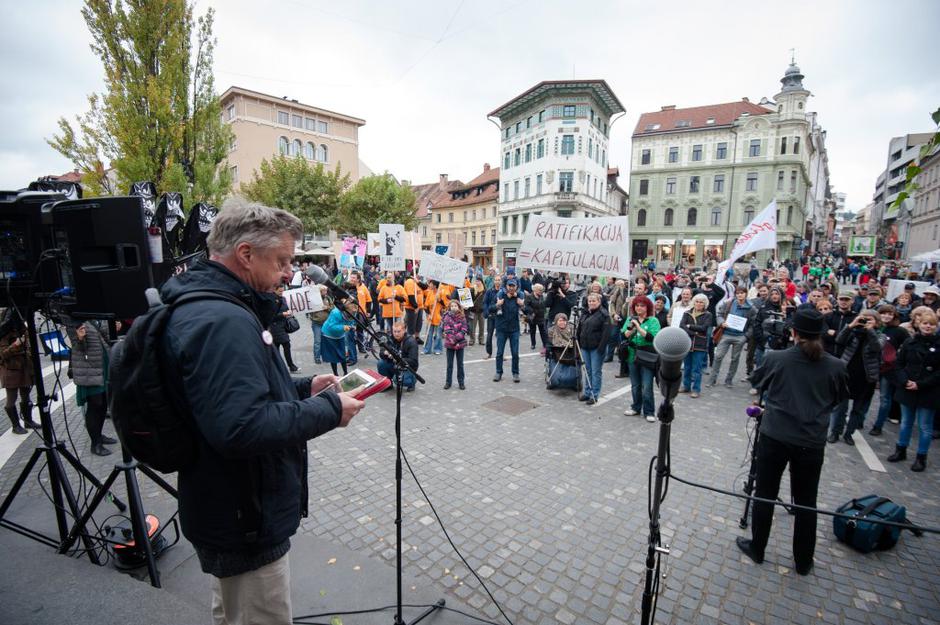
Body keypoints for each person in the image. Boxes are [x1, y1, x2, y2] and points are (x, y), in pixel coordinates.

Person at [157, 198, 364, 624]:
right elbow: (241, 427)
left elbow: (232, 395)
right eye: (282, 261)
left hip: (230, 507)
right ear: (246, 254)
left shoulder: (218, 306)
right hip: (243, 517)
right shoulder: (224, 320)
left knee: (233, 612)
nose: (289, 272)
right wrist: (328, 409)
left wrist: (304, 387)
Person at [738, 308, 849, 576]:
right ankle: (803, 560)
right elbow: (839, 399)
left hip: (775, 436)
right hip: (811, 440)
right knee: (806, 501)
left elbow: (757, 381)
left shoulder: (776, 358)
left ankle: (758, 547)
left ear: (794, 332)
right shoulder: (836, 365)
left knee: (765, 493)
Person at [887, 309, 939, 472]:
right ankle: (900, 450)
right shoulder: (910, 342)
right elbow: (899, 363)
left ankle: (921, 457)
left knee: (925, 426)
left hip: (928, 390)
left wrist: (920, 384)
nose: (928, 326)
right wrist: (904, 380)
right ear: (918, 324)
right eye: (925, 323)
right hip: (907, 387)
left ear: (936, 326)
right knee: (906, 422)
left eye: (931, 324)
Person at [827, 310, 881, 445]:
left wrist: (870, 331)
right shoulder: (854, 332)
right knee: (840, 407)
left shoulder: (880, 335)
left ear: (877, 323)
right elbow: (839, 340)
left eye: (870, 320)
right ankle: (835, 431)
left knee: (858, 409)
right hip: (847, 373)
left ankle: (849, 434)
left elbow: (877, 347)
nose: (866, 322)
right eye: (864, 319)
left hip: (865, 377)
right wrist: (851, 325)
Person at [68, 321, 118, 456]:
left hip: (102, 365)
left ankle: (99, 435)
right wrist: (79, 338)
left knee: (103, 403)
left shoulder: (95, 317)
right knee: (95, 404)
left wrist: (114, 328)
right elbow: (77, 346)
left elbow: (105, 337)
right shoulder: (73, 319)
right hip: (89, 369)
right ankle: (95, 443)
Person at [869, 305, 911, 436]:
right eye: (883, 313)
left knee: (884, 398)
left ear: (894, 316)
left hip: (889, 370)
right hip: (871, 367)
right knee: (866, 395)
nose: (886, 316)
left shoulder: (899, 331)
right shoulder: (873, 328)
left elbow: (908, 347)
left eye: (890, 314)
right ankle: (859, 419)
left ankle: (878, 425)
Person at [622, 295, 659, 422]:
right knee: (635, 385)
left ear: (647, 307)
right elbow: (625, 335)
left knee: (647, 385)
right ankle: (636, 407)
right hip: (632, 354)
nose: (639, 308)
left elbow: (652, 337)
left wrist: (638, 327)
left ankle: (649, 411)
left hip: (647, 356)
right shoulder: (631, 319)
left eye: (642, 306)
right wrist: (631, 329)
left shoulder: (653, 320)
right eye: (637, 306)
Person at [0, 309, 37, 435]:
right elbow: (3, 354)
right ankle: (15, 425)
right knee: (11, 398)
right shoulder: (3, 334)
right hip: (10, 370)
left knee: (26, 395)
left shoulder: (22, 329)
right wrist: (15, 345)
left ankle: (28, 421)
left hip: (24, 367)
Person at [708, 286, 752, 388]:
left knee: (735, 359)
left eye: (742, 293)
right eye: (738, 293)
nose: (740, 295)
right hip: (726, 334)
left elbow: (753, 324)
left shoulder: (751, 307)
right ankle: (712, 379)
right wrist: (721, 322)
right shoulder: (729, 303)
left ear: (746, 294)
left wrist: (746, 337)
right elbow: (719, 315)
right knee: (718, 356)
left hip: (740, 336)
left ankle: (729, 380)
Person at [577, 292, 610, 405]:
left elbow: (606, 333)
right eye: (589, 301)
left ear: (599, 302)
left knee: (595, 372)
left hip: (596, 348)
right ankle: (587, 392)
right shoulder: (585, 313)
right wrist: (578, 342)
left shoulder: (604, 314)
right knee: (587, 371)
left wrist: (601, 348)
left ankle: (594, 394)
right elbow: (580, 329)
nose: (591, 303)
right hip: (585, 347)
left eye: (593, 301)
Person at [679, 293, 712, 398]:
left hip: (700, 344)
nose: (699, 304)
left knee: (697, 369)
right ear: (694, 302)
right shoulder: (687, 313)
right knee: (687, 367)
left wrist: (690, 326)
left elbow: (704, 328)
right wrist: (693, 332)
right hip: (687, 343)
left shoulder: (708, 315)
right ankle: (686, 386)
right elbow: (682, 325)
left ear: (705, 304)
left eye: (701, 302)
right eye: (697, 301)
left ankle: (696, 389)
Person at [493, 279, 523, 383]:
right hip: (501, 329)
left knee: (515, 353)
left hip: (514, 329)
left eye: (513, 286)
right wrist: (497, 305)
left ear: (516, 287)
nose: (511, 288)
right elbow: (490, 309)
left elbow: (527, 311)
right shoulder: (500, 296)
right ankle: (498, 372)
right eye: (509, 286)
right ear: (506, 286)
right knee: (499, 353)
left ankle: (515, 373)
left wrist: (522, 305)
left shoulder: (519, 297)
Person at [377, 321, 419, 392]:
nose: (396, 334)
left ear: (404, 330)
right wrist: (385, 353)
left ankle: (412, 381)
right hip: (395, 364)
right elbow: (381, 353)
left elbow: (414, 362)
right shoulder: (390, 338)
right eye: (394, 331)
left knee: (397, 379)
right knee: (381, 363)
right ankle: (387, 384)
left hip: (407, 368)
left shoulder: (411, 341)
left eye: (399, 331)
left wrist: (397, 357)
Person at [321, 299, 358, 376]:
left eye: (355, 312)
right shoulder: (336, 312)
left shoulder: (352, 313)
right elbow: (331, 326)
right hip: (329, 335)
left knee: (342, 355)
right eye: (353, 312)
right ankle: (335, 374)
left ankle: (345, 373)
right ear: (347, 309)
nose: (354, 313)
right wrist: (343, 327)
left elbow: (351, 321)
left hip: (340, 335)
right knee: (333, 357)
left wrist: (352, 326)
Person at [271, 285, 300, 373]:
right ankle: (289, 366)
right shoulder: (271, 300)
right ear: (274, 290)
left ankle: (280, 366)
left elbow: (286, 308)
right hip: (275, 327)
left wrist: (289, 312)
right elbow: (271, 316)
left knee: (279, 347)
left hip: (283, 326)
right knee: (285, 344)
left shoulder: (283, 298)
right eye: (280, 291)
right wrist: (283, 314)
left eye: (282, 291)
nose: (281, 293)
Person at [441, 300, 468, 390]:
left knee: (460, 364)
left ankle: (461, 382)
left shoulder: (462, 317)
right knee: (449, 364)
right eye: (452, 306)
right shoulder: (446, 317)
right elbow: (447, 329)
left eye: (455, 306)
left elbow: (464, 329)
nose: (454, 307)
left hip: (460, 343)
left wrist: (456, 339)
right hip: (450, 343)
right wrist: (452, 339)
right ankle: (448, 382)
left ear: (459, 307)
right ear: (449, 307)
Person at [307, 286, 331, 364]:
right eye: (324, 291)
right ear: (319, 292)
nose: (325, 292)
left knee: (326, 340)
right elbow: (308, 310)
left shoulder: (328, 298)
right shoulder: (313, 300)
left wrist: (327, 308)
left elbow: (333, 308)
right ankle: (317, 357)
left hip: (326, 323)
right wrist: (313, 316)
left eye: (326, 291)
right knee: (317, 341)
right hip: (317, 323)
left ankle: (325, 356)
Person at [482, 276, 502, 358]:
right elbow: (485, 303)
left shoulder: (503, 291)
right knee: (489, 335)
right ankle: (489, 353)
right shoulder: (489, 291)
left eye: (499, 280)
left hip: (501, 316)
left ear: (501, 281)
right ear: (494, 281)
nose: (497, 281)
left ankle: (501, 353)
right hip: (491, 316)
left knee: (501, 336)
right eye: (496, 280)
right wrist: (487, 313)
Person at [524, 283, 548, 351]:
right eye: (540, 290)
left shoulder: (542, 296)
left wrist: (544, 312)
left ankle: (545, 344)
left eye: (542, 290)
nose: (541, 291)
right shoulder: (529, 296)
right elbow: (526, 306)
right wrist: (532, 311)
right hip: (533, 317)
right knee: (532, 331)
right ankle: (533, 344)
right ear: (535, 290)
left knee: (543, 331)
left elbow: (544, 305)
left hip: (541, 316)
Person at [470, 278, 486, 346]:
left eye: (479, 281)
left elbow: (486, 300)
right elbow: (469, 299)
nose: (477, 282)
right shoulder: (472, 289)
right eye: (476, 281)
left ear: (482, 282)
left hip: (482, 311)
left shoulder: (485, 290)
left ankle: (481, 339)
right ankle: (472, 340)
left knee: (482, 326)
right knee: (472, 327)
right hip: (473, 310)